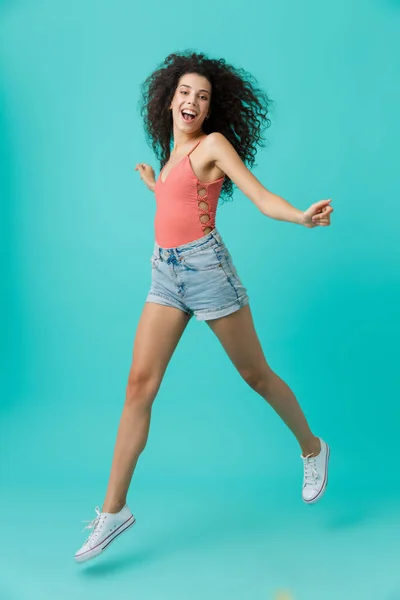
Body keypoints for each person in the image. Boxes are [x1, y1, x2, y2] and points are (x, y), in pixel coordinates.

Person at [74, 51, 333, 564]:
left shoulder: (213, 144)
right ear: (169, 100)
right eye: (185, 92)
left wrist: (301, 218)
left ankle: (312, 447)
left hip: (207, 272)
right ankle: (113, 511)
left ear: (210, 109)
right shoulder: (172, 151)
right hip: (165, 274)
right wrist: (156, 184)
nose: (192, 101)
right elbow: (178, 201)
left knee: (255, 375)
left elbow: (259, 197)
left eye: (203, 96)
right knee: (138, 387)